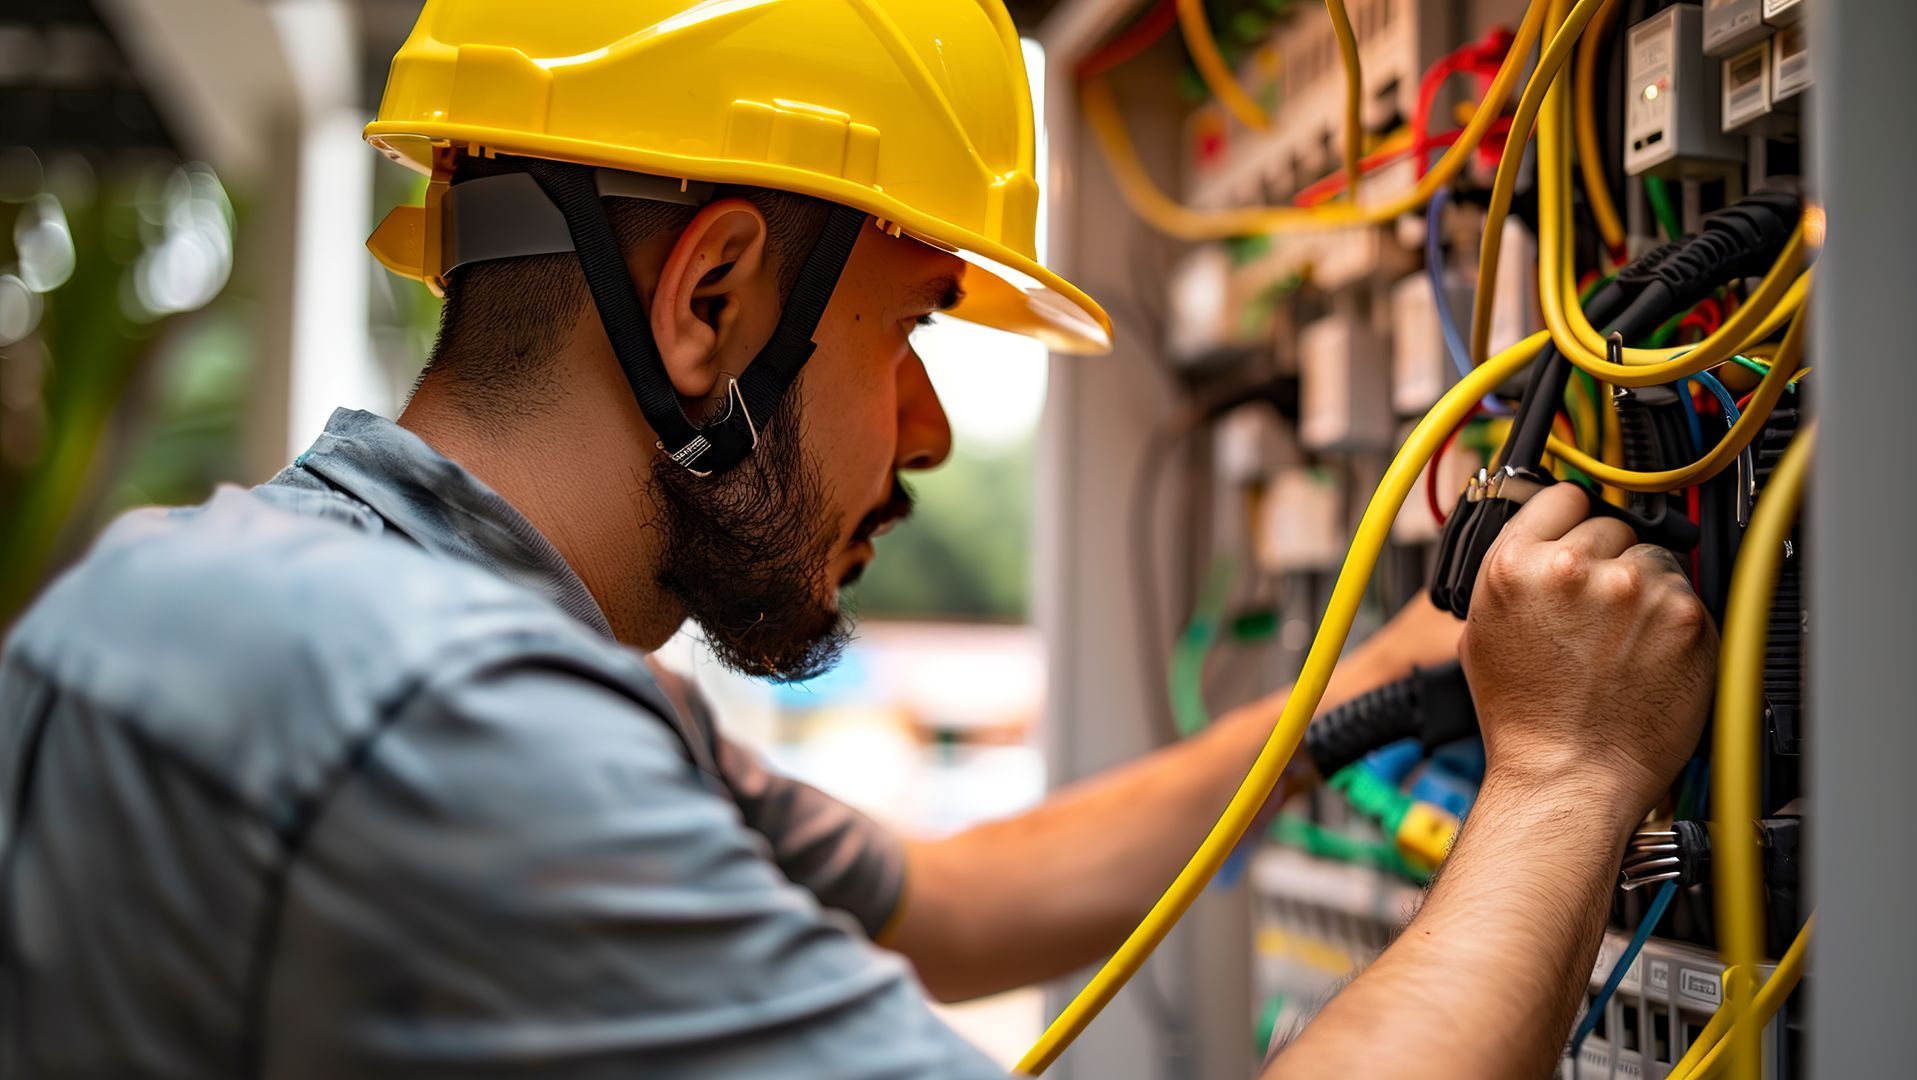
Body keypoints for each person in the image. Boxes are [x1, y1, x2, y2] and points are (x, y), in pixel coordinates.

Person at [0, 1, 1717, 1076]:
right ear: (714, 296)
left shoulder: (258, 600)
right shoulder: (442, 730)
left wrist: (1383, 676)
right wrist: (1567, 777)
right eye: (911, 338)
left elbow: (954, 899)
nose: (933, 430)